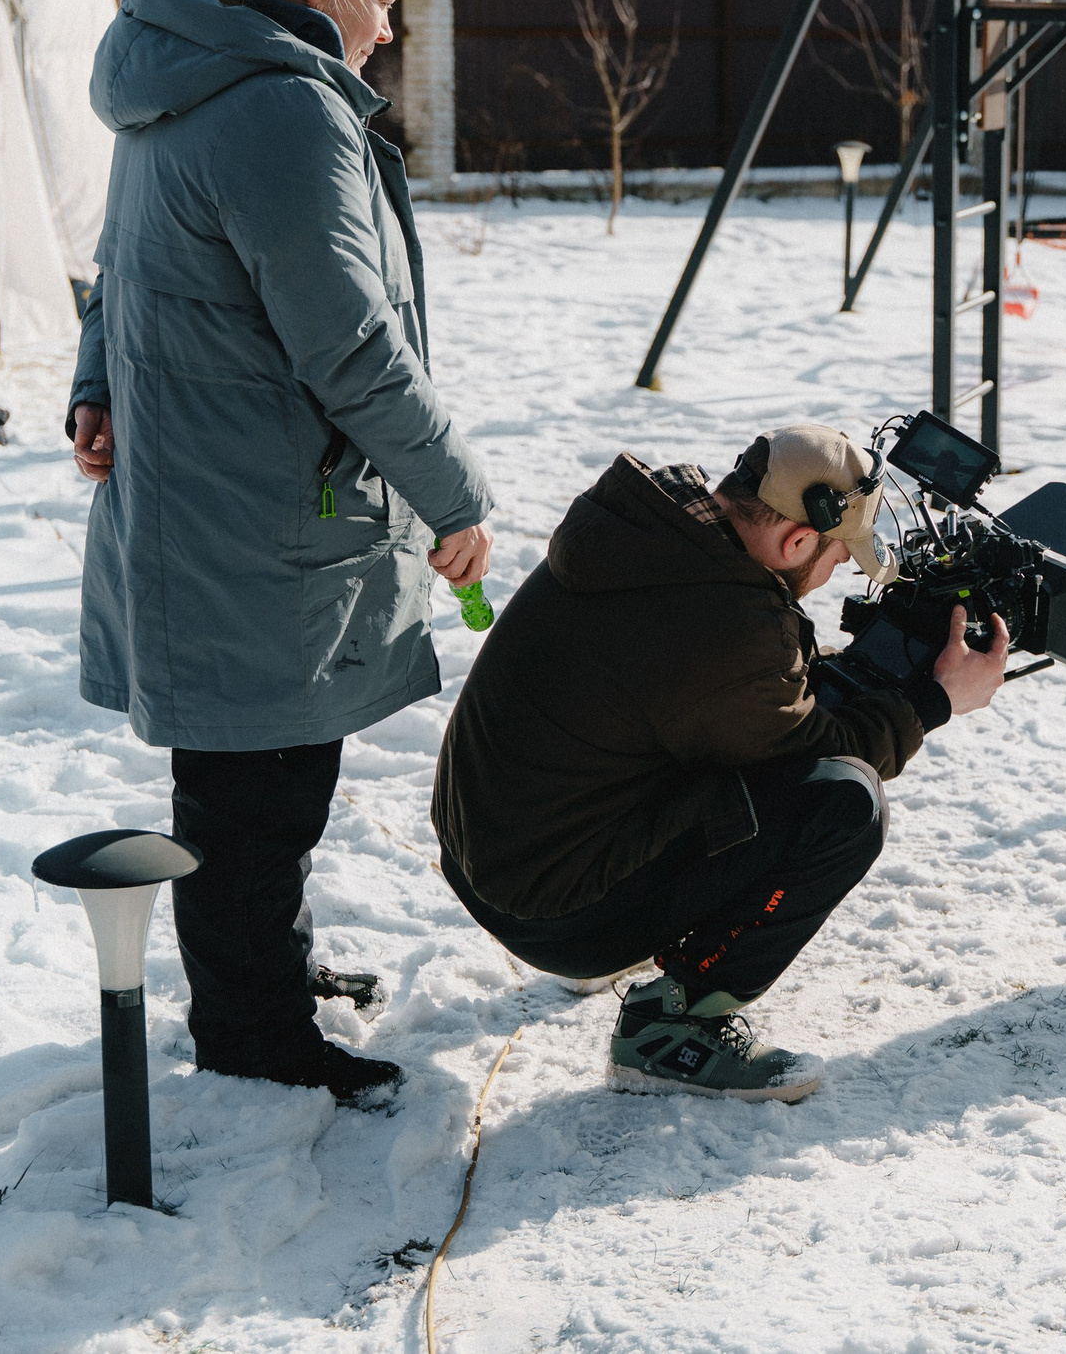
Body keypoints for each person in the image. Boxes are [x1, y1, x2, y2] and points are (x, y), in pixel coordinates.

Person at [67, 0, 496, 1101]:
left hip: (207, 481)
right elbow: (349, 343)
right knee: (258, 789)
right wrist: (453, 492)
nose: (389, 28)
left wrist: (94, 385)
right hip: (254, 505)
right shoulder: (279, 106)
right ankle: (253, 1035)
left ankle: (265, 977)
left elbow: (124, 266)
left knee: (251, 774)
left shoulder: (182, 78)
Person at [431, 425, 1010, 1101]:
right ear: (797, 541)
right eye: (837, 559)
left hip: (488, 856)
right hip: (548, 912)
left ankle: (620, 926)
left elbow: (748, 703)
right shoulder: (721, 620)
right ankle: (668, 1027)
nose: (834, 577)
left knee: (760, 761)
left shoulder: (652, 537)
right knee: (846, 801)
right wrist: (935, 701)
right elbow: (821, 750)